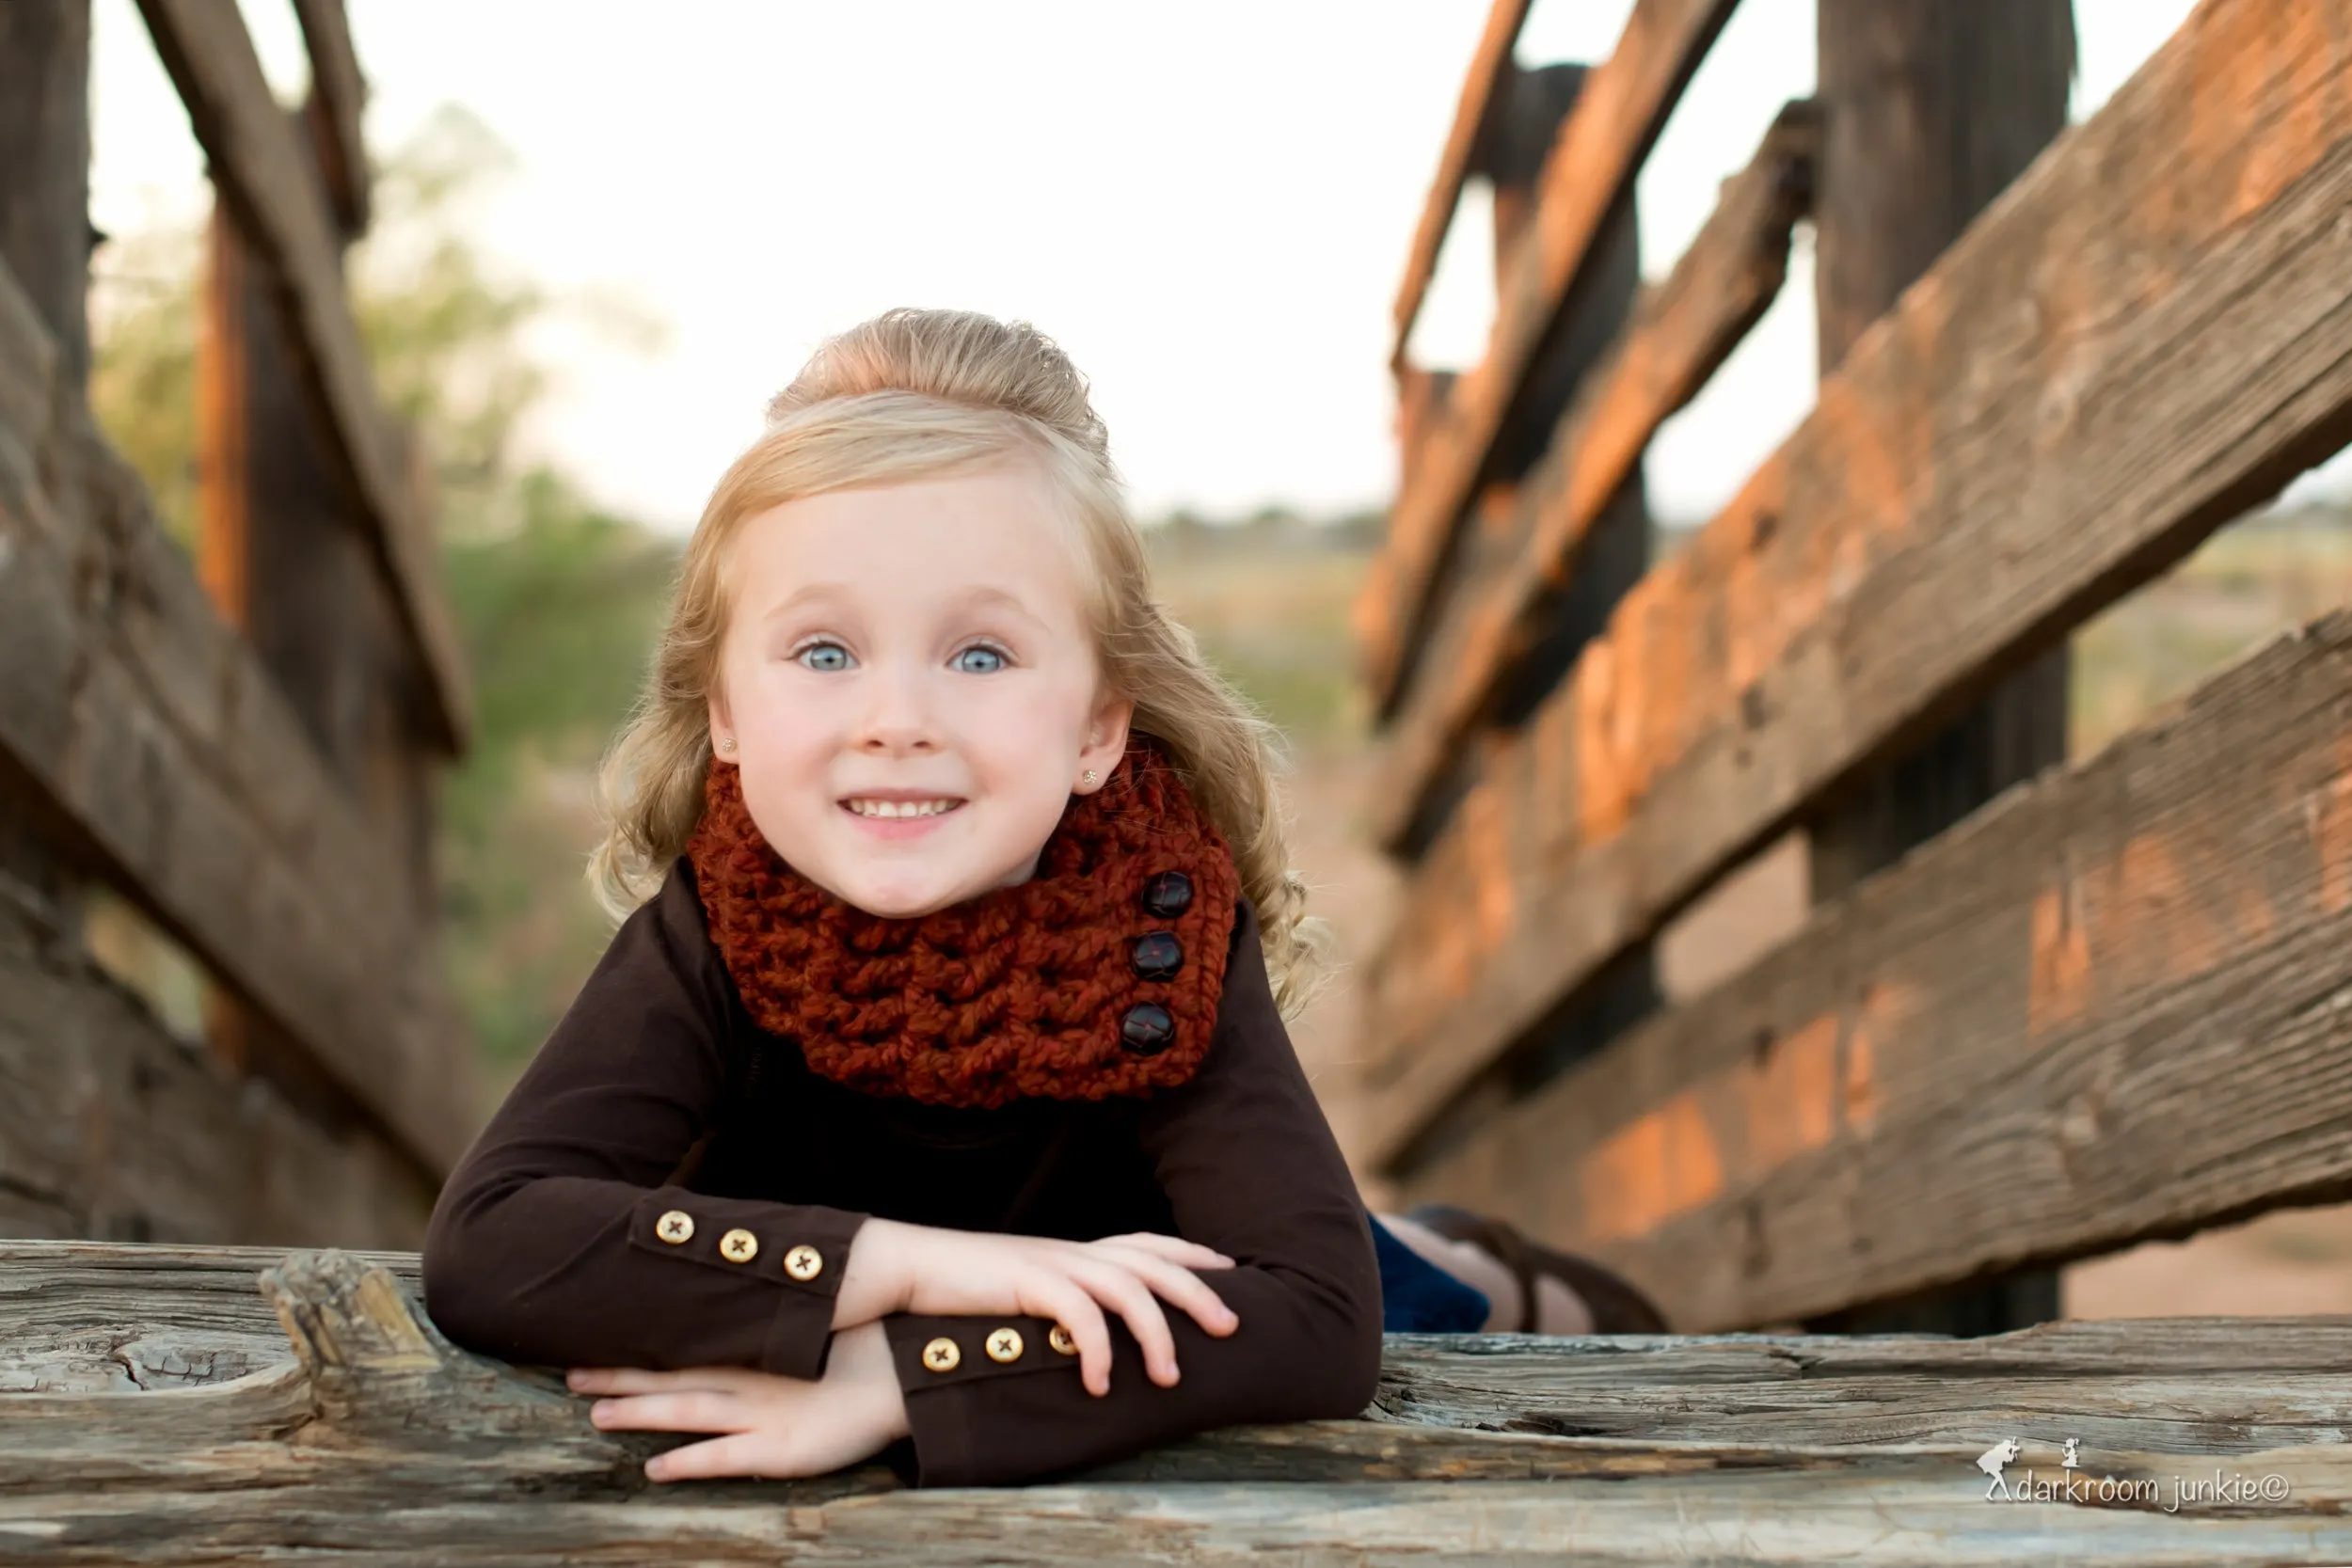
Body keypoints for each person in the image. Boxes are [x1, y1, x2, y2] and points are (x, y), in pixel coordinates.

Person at [419, 307, 1667, 1491]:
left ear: (1096, 726)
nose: (896, 721)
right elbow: (492, 1238)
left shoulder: (1153, 927)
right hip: (1010, 1279)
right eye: (823, 652)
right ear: (727, 713)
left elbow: (1321, 1316)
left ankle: (1500, 1266)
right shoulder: (719, 923)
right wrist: (921, 1267)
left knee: (1422, 1294)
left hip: (1163, 1267)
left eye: (980, 655)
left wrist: (901, 1372)